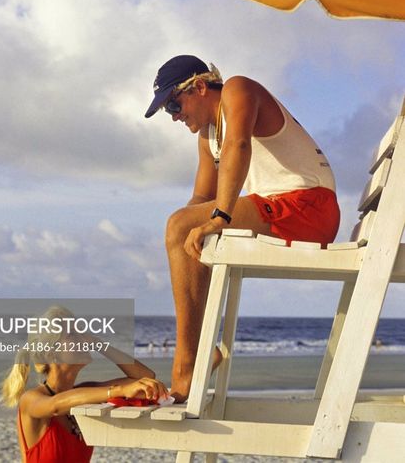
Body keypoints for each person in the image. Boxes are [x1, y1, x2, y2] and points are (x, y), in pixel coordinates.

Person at [145, 55, 340, 401]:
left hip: (309, 206)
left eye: (174, 104)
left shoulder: (238, 89)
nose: (174, 116)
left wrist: (219, 217)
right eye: (167, 111)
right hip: (280, 207)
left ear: (200, 87)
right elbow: (200, 196)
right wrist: (180, 242)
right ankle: (202, 350)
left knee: (181, 226)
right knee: (180, 228)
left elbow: (239, 145)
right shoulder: (207, 137)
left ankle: (187, 366)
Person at [0, 305, 168, 462]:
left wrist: (98, 343)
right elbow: (55, 406)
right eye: (72, 334)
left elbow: (145, 377)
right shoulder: (30, 399)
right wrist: (118, 391)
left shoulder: (86, 392)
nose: (82, 338)